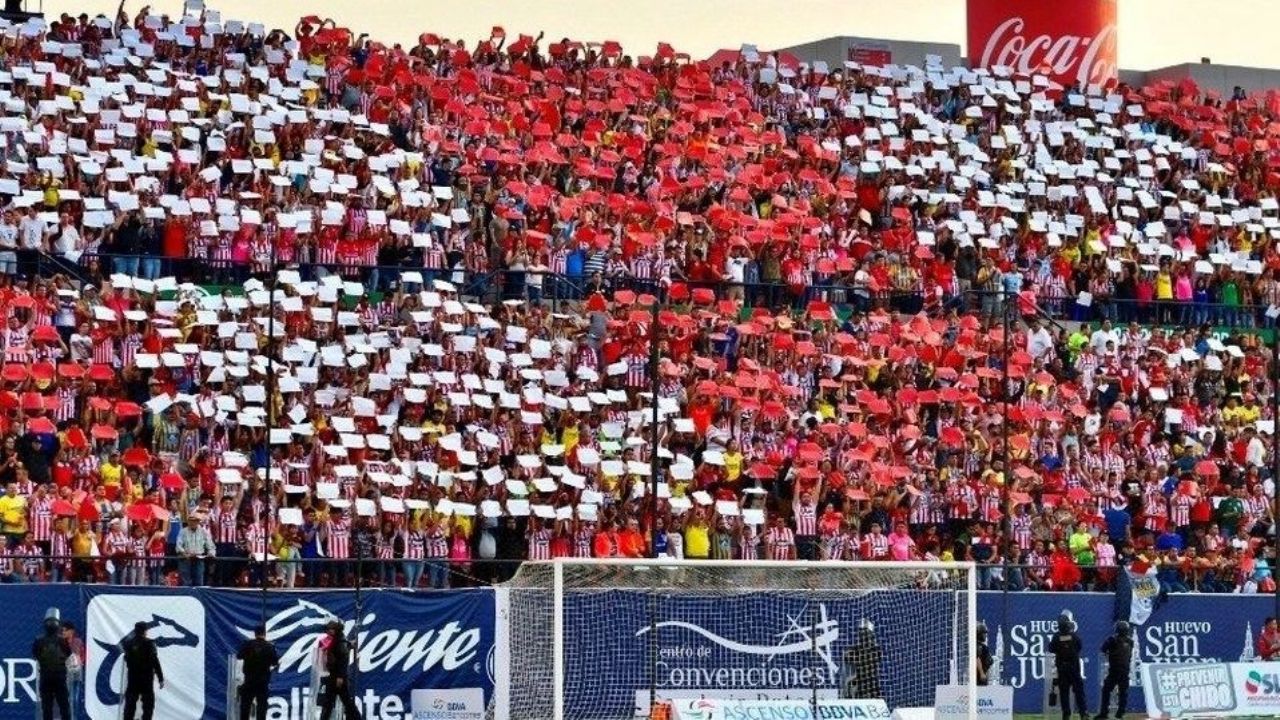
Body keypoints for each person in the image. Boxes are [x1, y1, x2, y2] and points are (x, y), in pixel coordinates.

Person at [31, 608, 71, 720]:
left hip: (45, 676)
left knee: (46, 707)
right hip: (60, 676)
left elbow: (35, 654)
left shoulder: (39, 640)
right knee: (64, 706)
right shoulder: (63, 641)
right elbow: (68, 653)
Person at [318, 621, 362, 720]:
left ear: (336, 630)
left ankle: (357, 718)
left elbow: (343, 659)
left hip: (337, 677)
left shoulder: (339, 642)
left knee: (342, 701)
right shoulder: (337, 640)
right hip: (334, 675)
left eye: (332, 629)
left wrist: (340, 677)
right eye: (328, 629)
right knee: (331, 702)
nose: (329, 631)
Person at [1049, 611, 1088, 720]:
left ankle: (1066, 714)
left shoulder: (1056, 637)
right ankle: (1083, 713)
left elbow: (1051, 648)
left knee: (1064, 693)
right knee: (1079, 692)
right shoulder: (1074, 637)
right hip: (1074, 668)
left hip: (1062, 668)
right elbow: (1079, 646)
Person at [122, 621, 164, 720]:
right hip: (146, 678)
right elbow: (155, 661)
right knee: (148, 706)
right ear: (145, 631)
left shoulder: (128, 644)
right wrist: (160, 677)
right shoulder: (150, 643)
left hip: (133, 678)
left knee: (130, 705)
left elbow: (126, 659)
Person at [237, 624, 279, 720]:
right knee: (262, 709)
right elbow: (275, 662)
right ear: (265, 634)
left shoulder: (247, 644)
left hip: (249, 681)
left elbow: (239, 656)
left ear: (255, 634)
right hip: (263, 682)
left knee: (245, 708)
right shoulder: (270, 647)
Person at [1096, 621, 1134, 720]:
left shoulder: (1112, 639)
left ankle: (1104, 713)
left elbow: (1103, 649)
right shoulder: (1130, 641)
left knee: (1106, 690)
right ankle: (1120, 713)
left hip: (1114, 670)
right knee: (1123, 692)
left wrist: (1109, 654)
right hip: (1125, 670)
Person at [841, 619, 883, 699]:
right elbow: (847, 657)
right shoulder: (856, 649)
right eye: (861, 632)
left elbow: (868, 660)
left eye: (865, 632)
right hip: (859, 681)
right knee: (849, 684)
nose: (863, 635)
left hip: (872, 681)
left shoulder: (875, 649)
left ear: (870, 634)